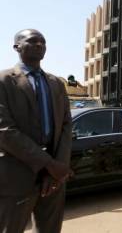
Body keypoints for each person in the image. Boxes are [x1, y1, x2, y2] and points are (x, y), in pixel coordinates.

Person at [0, 29, 72, 233]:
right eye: (32, 41)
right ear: (16, 46)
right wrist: (48, 164)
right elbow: (5, 131)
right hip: (17, 175)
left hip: (54, 178)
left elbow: (67, 126)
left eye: (43, 42)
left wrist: (58, 168)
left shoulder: (56, 83)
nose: (40, 45)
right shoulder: (3, 81)